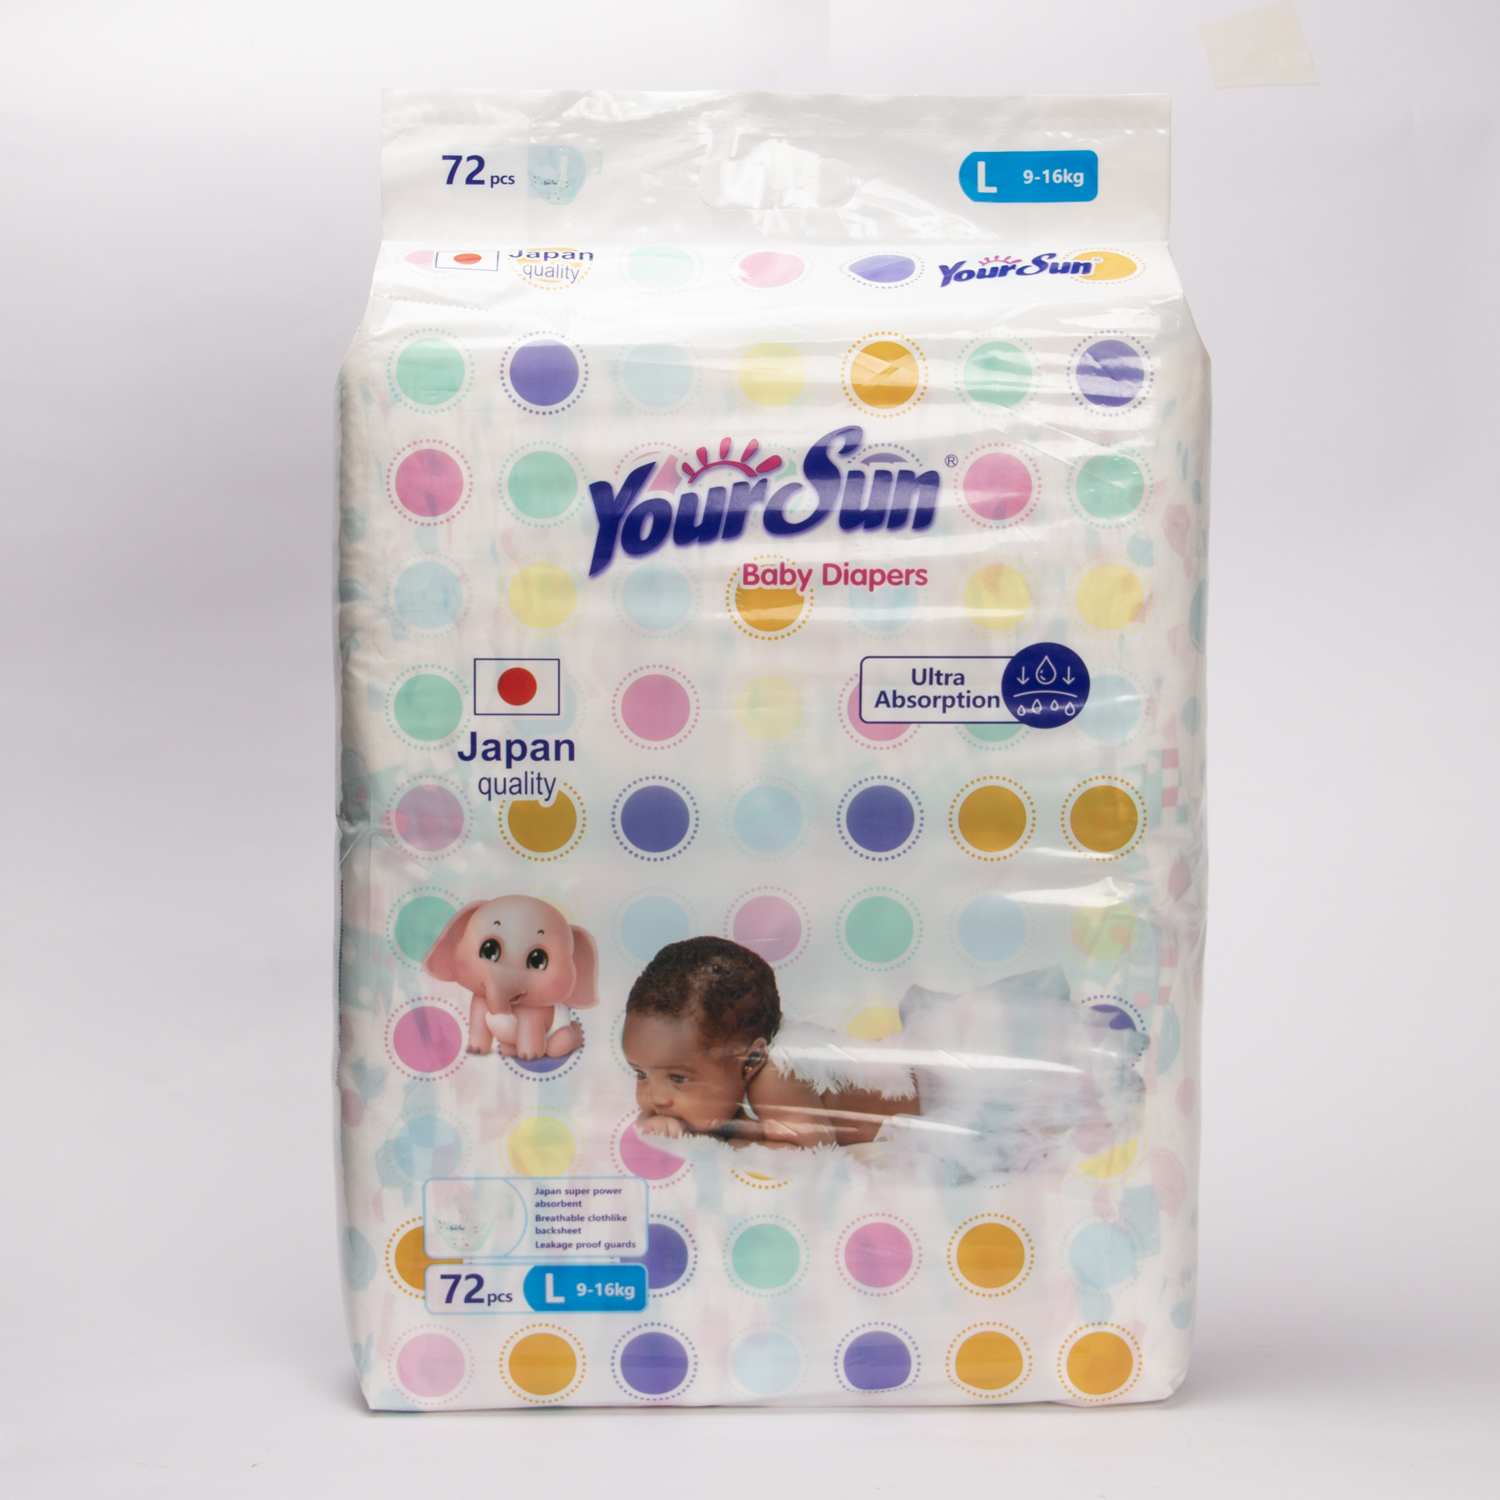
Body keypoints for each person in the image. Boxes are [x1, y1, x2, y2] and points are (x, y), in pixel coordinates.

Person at [622, 936, 919, 1148]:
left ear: (751, 1061)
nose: (656, 1099)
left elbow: (810, 1152)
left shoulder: (774, 1078)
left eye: (678, 1078)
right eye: (641, 1074)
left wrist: (708, 1141)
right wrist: (660, 1127)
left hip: (929, 1094)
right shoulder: (723, 1079)